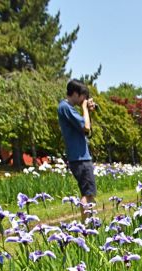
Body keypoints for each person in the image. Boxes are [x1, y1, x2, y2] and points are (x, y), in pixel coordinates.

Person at [58, 79, 97, 218]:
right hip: (80, 158)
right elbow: (86, 127)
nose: (84, 100)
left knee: (88, 192)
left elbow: (85, 129)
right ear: (75, 93)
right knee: (88, 194)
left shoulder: (68, 109)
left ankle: (89, 225)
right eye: (83, 97)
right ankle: (88, 228)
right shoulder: (66, 108)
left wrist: (88, 112)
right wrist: (85, 109)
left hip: (79, 157)